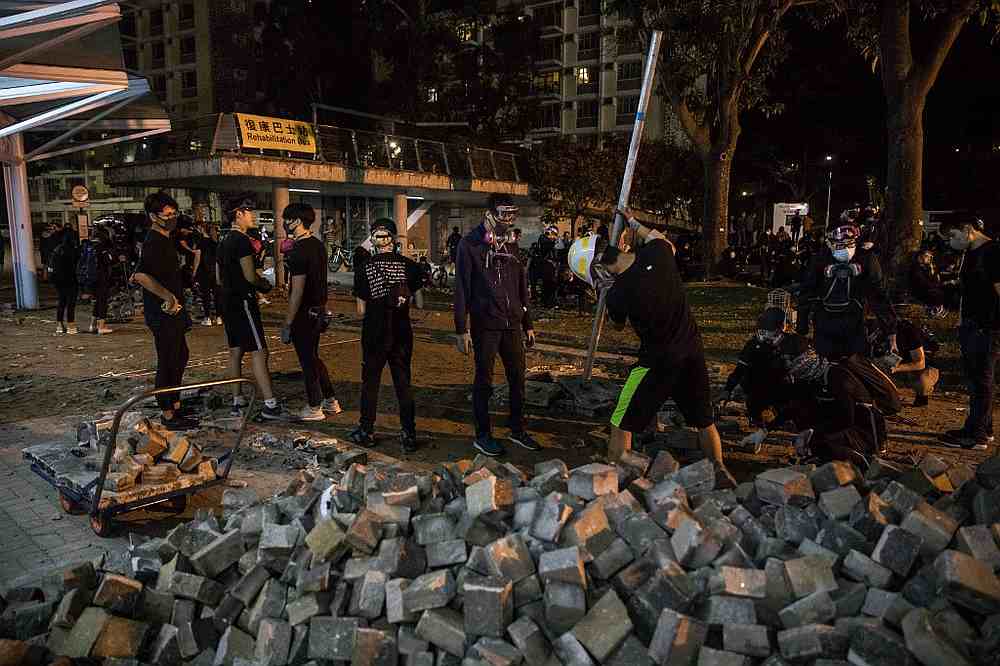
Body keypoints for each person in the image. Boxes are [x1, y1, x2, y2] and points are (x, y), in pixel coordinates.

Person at [571, 208, 736, 487]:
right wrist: (634, 222)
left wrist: (605, 289)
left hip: (656, 363)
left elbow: (618, 324)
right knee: (704, 420)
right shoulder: (657, 254)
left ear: (599, 268)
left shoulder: (618, 294)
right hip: (692, 352)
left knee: (620, 422)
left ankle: (614, 481)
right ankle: (720, 470)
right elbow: (660, 239)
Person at [454, 194, 540, 457]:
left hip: (512, 322)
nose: (508, 219)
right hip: (485, 324)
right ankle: (483, 435)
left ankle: (517, 429)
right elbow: (462, 288)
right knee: (484, 381)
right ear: (489, 214)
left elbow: (520, 285)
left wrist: (528, 323)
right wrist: (461, 328)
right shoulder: (469, 245)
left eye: (513, 214)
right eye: (503, 214)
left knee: (517, 379)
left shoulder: (512, 243)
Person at [350, 218, 425, 452]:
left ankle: (366, 430)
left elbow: (361, 310)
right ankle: (408, 433)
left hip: (374, 332)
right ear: (394, 239)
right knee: (403, 382)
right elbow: (420, 302)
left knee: (370, 382)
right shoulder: (410, 266)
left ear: (374, 239)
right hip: (402, 332)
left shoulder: (364, 267)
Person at [133, 192, 197, 430]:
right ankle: (168, 413)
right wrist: (167, 296)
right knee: (168, 359)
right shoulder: (153, 242)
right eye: (167, 214)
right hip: (162, 311)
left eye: (174, 213)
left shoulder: (167, 238)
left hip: (175, 310)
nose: (172, 218)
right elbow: (140, 275)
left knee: (180, 355)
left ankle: (176, 404)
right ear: (153, 216)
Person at [217, 193, 282, 420]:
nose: (253, 216)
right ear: (238, 214)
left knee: (235, 351)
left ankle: (238, 399)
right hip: (243, 301)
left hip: (227, 300)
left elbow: (219, 277)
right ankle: (270, 404)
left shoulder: (223, 241)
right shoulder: (242, 241)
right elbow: (249, 276)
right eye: (249, 212)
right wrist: (265, 285)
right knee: (259, 351)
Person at [939, 215, 999, 450]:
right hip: (973, 324)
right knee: (977, 379)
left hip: (987, 327)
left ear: (967, 230)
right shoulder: (971, 254)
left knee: (981, 380)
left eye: (953, 236)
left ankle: (977, 435)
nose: (951, 243)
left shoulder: (992, 252)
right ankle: (984, 427)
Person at [797, 219, 897, 360]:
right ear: (829, 244)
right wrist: (802, 328)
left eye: (850, 244)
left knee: (856, 363)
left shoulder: (866, 259)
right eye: (839, 245)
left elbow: (879, 295)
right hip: (825, 323)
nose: (845, 249)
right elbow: (806, 293)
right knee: (827, 365)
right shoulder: (820, 260)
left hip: (854, 323)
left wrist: (890, 330)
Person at [279, 203, 342, 422]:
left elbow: (296, 291)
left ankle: (314, 406)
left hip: (304, 313)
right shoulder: (317, 245)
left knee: (307, 361)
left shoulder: (298, 250)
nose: (284, 223)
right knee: (314, 357)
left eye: (287, 219)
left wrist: (287, 322)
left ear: (296, 221)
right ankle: (330, 400)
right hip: (319, 311)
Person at [874, 318, 939, 408]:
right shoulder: (875, 329)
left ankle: (922, 395)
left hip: (922, 366)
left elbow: (920, 363)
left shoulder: (909, 330)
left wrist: (897, 368)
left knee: (922, 384)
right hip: (896, 360)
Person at [50, 227, 79, 335]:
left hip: (58, 280)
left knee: (61, 302)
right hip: (71, 280)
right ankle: (71, 325)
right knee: (71, 303)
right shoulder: (74, 250)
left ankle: (59, 325)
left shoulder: (57, 249)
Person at [87, 226, 115, 335]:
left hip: (90, 277)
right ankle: (101, 326)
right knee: (102, 301)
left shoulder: (89, 245)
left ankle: (92, 324)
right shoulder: (102, 247)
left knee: (97, 301)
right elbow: (108, 261)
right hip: (101, 277)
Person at [196, 223, 223, 325]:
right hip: (216, 271)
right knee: (217, 295)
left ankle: (207, 318)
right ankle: (219, 317)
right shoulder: (217, 242)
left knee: (205, 295)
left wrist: (194, 272)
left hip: (204, 271)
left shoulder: (201, 242)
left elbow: (197, 258)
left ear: (203, 230)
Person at [909, 248, 947, 318]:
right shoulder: (916, 268)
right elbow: (923, 283)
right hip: (919, 291)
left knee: (943, 290)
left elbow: (933, 280)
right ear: (920, 256)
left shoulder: (926, 267)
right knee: (937, 293)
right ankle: (935, 310)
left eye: (931, 257)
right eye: (927, 256)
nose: (929, 258)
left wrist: (932, 270)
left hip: (927, 288)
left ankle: (938, 309)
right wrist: (938, 285)